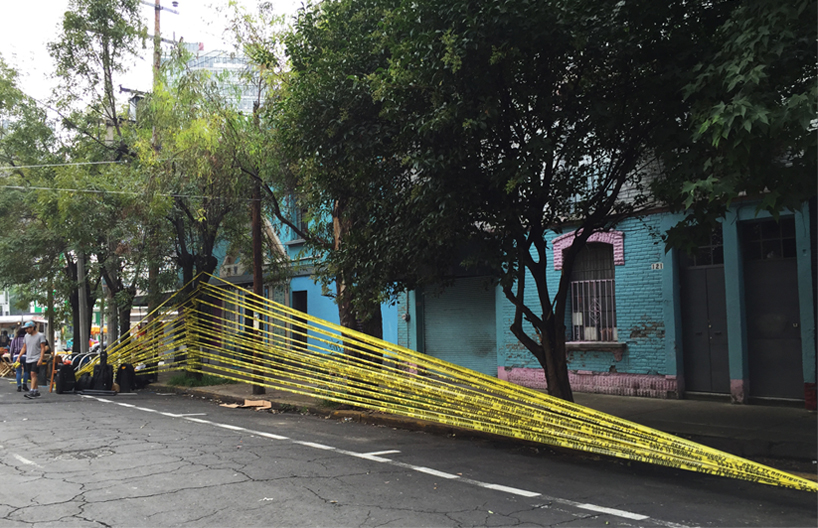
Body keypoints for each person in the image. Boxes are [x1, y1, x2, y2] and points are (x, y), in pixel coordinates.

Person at [20, 321, 46, 399]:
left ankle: (31, 391)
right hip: (28, 358)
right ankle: (36, 390)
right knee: (33, 375)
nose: (26, 330)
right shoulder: (26, 336)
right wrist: (19, 356)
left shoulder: (40, 336)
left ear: (32, 327)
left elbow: (42, 348)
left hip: (36, 357)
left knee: (33, 374)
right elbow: (24, 347)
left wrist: (41, 358)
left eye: (27, 328)